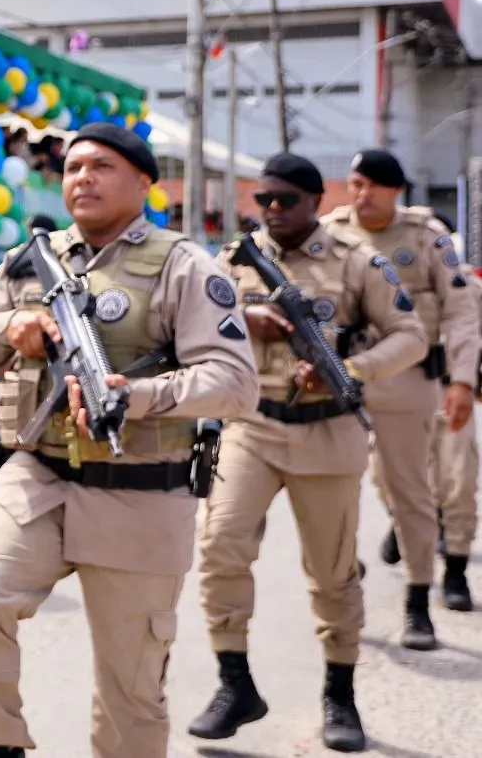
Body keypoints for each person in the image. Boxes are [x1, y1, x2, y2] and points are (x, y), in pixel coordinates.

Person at [0, 122, 260, 758]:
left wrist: (134, 396)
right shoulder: (29, 259)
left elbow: (235, 384)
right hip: (38, 475)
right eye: (73, 167)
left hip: (141, 490)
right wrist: (12, 326)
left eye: (101, 167)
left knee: (131, 694)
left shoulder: (183, 265)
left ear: (144, 183)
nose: (83, 178)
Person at [191, 154, 425, 752]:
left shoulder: (357, 260)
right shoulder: (233, 260)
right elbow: (193, 323)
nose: (273, 209)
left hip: (327, 432)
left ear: (316, 202)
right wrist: (246, 317)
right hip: (252, 424)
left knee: (332, 573)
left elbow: (411, 336)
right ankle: (234, 682)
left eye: (286, 200)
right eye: (264, 199)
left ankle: (339, 693)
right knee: (219, 546)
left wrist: (351, 369)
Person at [322, 149, 479, 648]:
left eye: (373, 185)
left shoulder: (426, 235)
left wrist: (463, 380)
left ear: (396, 190)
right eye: (355, 183)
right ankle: (340, 574)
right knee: (334, 488)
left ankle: (419, 599)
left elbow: (460, 311)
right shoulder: (330, 232)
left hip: (410, 378)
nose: (362, 194)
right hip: (342, 377)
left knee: (420, 488)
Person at [445, 267, 482, 611]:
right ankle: (404, 523)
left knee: (460, 480)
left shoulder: (469, 286)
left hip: (452, 391)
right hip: (399, 392)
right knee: (389, 479)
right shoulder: (382, 273)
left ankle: (455, 572)